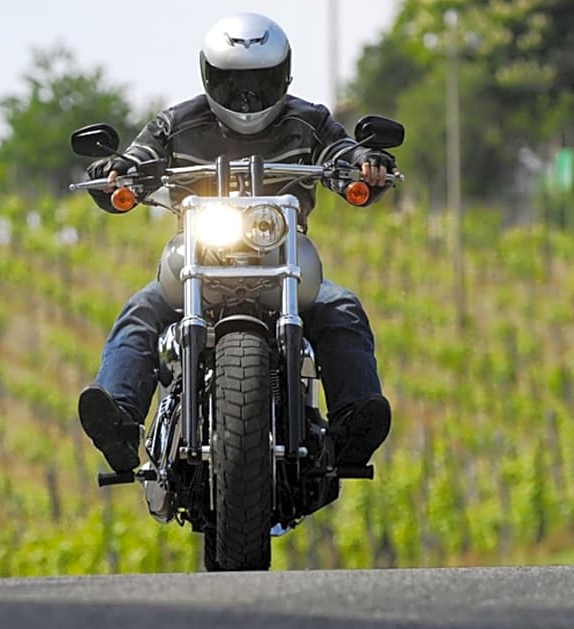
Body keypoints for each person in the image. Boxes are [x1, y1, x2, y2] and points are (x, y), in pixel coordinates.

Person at [78, 12, 398, 474]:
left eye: (260, 82)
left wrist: (366, 162)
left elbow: (342, 152)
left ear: (284, 74)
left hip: (284, 257)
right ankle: (120, 422)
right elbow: (138, 158)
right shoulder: (176, 123)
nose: (246, 97)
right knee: (142, 310)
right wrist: (116, 172)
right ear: (209, 75)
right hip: (199, 256)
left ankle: (354, 424)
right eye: (233, 83)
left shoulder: (309, 121)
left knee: (341, 308)